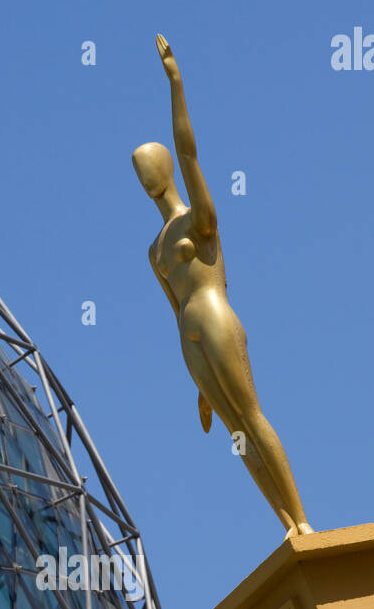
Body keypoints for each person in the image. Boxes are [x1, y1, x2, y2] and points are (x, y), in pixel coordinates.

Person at [133, 35, 313, 538]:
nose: (144, 172)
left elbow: (190, 151)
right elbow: (173, 310)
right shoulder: (154, 251)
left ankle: (303, 516)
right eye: (136, 169)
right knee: (236, 433)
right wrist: (196, 386)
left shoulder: (199, 221)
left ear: (165, 167)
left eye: (149, 162)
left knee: (252, 416)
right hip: (189, 338)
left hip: (216, 318)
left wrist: (175, 81)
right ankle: (285, 525)